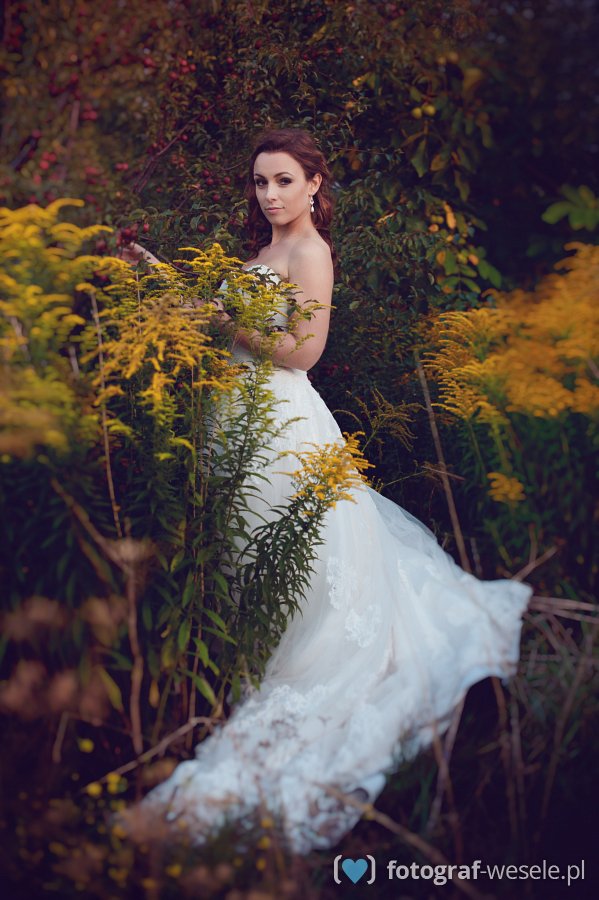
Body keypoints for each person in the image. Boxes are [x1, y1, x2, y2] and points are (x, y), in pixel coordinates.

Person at [117, 128, 533, 854]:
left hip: (278, 421)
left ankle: (290, 684)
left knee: (295, 561)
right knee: (241, 559)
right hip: (232, 419)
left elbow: (305, 352)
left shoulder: (310, 253)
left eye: (284, 180)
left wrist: (221, 319)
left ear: (314, 184)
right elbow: (224, 327)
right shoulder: (261, 253)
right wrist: (160, 279)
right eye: (260, 182)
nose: (270, 195)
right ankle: (232, 680)